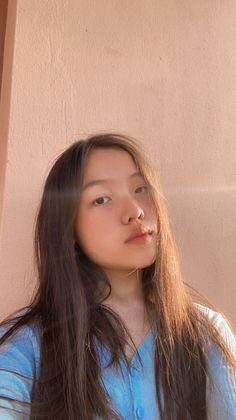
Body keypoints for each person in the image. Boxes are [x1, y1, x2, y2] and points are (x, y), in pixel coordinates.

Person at [0, 133, 235, 420]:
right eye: (101, 199)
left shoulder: (205, 332)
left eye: (140, 189)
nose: (135, 212)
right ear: (69, 228)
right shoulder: (30, 344)